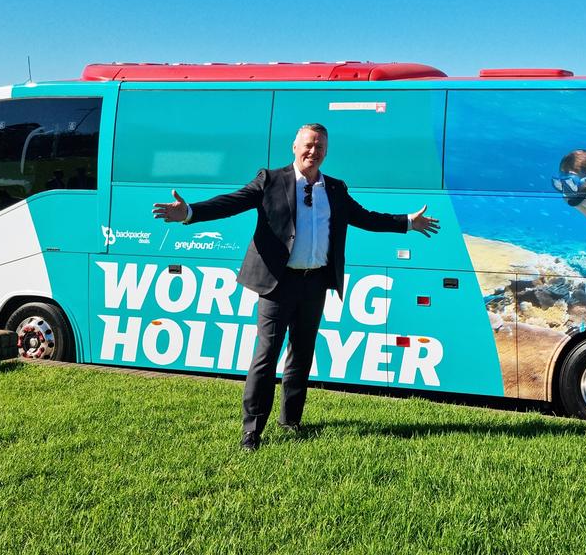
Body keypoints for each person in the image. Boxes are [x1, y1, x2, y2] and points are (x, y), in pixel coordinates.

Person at [152, 123, 440, 451]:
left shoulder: (335, 189)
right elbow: (230, 203)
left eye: (319, 147)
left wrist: (407, 222)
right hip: (278, 283)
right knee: (266, 355)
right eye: (307, 145)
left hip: (314, 282)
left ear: (326, 152)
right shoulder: (270, 180)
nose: (312, 152)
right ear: (294, 147)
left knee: (301, 356)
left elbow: (366, 218)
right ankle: (252, 430)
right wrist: (189, 212)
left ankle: (291, 421)